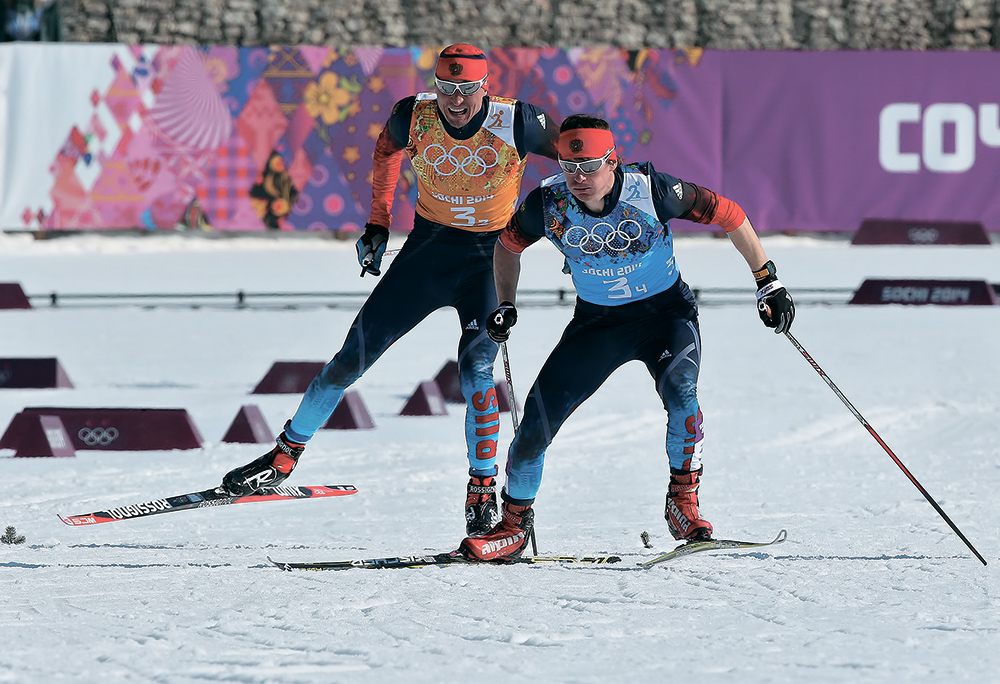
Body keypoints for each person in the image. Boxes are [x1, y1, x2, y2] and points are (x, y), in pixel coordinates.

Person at [222, 44, 560, 536]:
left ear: (485, 87)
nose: (457, 102)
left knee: (476, 377)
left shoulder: (519, 121)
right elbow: (385, 153)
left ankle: (482, 488)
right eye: (448, 89)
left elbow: (582, 161)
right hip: (426, 254)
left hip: (489, 260)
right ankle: (284, 456)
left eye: (467, 91)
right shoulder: (414, 114)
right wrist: (378, 223)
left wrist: (573, 234)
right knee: (348, 360)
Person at [458, 114, 795, 561]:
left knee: (682, 397)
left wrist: (766, 280)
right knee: (533, 430)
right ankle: (514, 526)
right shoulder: (549, 203)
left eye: (590, 166)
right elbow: (508, 245)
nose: (578, 178)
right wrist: (505, 303)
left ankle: (682, 500)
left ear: (612, 161)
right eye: (568, 167)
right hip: (598, 325)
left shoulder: (651, 190)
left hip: (665, 316)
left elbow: (730, 214)